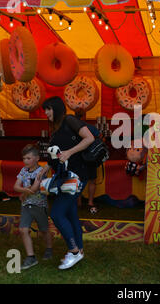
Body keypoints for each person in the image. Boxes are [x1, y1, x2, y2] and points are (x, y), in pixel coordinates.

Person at [38, 96, 95, 270]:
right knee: (70, 215)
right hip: (65, 177)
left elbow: (89, 138)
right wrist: (47, 166)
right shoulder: (55, 128)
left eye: (48, 109)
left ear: (56, 108)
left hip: (76, 177)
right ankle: (79, 250)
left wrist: (69, 152)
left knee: (57, 213)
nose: (46, 113)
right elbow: (57, 154)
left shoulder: (70, 120)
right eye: (45, 110)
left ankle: (74, 251)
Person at [13, 144, 52, 270]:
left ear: (37, 158)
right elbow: (15, 186)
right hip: (26, 205)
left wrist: (23, 192)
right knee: (23, 230)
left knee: (44, 230)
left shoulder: (41, 172)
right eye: (24, 158)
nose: (25, 161)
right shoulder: (23, 170)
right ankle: (31, 257)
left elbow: (35, 189)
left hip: (39, 205)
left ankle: (49, 248)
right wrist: (25, 191)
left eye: (29, 158)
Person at [74, 110, 98, 215]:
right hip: (91, 157)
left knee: (78, 180)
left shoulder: (72, 128)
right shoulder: (91, 127)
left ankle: (79, 202)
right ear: (84, 116)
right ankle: (90, 202)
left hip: (77, 157)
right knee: (92, 180)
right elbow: (100, 140)